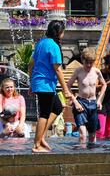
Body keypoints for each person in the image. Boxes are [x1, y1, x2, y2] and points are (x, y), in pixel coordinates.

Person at [28, 20, 77, 153]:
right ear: (59, 32)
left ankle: (42, 137)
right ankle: (36, 145)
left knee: (57, 107)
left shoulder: (41, 43)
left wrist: (31, 83)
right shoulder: (53, 45)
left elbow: (31, 64)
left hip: (40, 83)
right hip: (45, 84)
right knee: (44, 113)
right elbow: (58, 69)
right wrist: (66, 89)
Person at [67, 48, 107, 148]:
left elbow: (104, 85)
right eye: (87, 63)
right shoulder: (78, 71)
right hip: (81, 103)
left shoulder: (96, 72)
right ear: (82, 60)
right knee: (83, 134)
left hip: (93, 103)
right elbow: (67, 86)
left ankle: (92, 157)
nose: (89, 65)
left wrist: (99, 100)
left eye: (91, 63)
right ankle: (81, 156)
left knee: (93, 135)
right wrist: (75, 101)